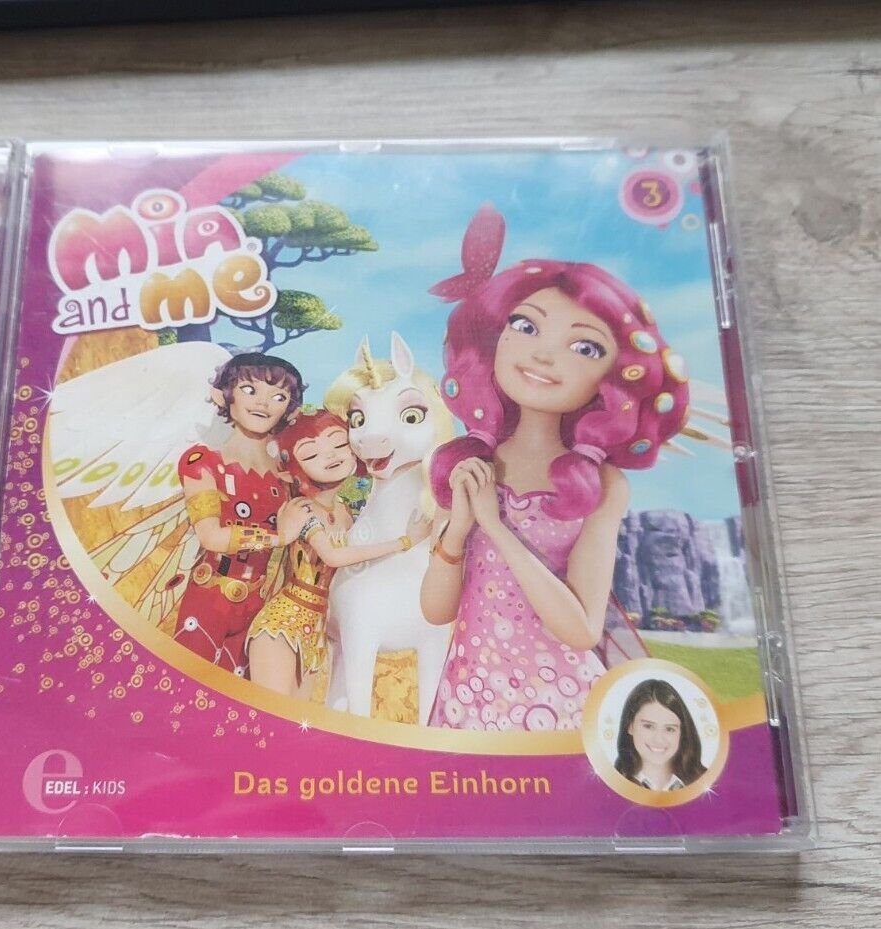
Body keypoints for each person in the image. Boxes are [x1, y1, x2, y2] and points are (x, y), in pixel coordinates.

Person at [421, 205, 689, 732]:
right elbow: (435, 610)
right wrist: (457, 529)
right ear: (492, 337)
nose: (544, 355)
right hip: (467, 696)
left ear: (613, 378)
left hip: (558, 705)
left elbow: (584, 629)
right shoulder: (469, 460)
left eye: (584, 346)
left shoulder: (602, 484)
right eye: (525, 326)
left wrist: (495, 527)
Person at [247, 409, 430, 699]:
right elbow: (333, 556)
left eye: (339, 443)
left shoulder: (346, 510)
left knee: (297, 717)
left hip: (318, 626)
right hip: (283, 622)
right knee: (271, 713)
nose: (330, 456)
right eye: (311, 454)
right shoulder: (302, 509)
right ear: (290, 469)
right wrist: (404, 542)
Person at [173, 353, 308, 676]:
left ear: (290, 410)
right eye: (250, 390)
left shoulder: (287, 476)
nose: (263, 403)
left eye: (279, 396)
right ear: (222, 395)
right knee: (189, 686)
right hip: (209, 600)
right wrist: (279, 537)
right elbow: (211, 536)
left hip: (261, 607)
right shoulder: (201, 461)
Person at [614, 679, 708, 790]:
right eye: (648, 726)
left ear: (682, 733)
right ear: (630, 726)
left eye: (669, 729)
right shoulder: (611, 783)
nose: (659, 739)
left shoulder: (706, 783)